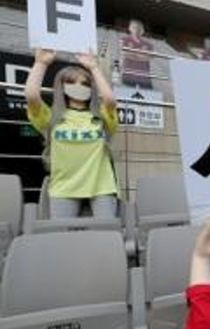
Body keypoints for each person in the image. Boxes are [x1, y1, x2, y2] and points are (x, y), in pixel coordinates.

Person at [25, 49, 119, 219]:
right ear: (62, 86)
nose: (79, 87)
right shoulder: (52, 118)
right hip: (63, 187)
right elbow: (32, 96)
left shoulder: (101, 118)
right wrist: (41, 63)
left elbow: (110, 100)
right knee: (62, 233)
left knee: (108, 231)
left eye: (85, 83)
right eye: (71, 82)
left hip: (102, 186)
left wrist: (94, 68)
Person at [120, 19, 154, 89]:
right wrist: (141, 55)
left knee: (147, 94)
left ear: (142, 30)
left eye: (139, 28)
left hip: (145, 78)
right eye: (134, 27)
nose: (136, 30)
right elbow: (125, 54)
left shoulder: (148, 44)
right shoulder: (124, 39)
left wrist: (133, 54)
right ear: (129, 28)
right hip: (129, 76)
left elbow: (149, 57)